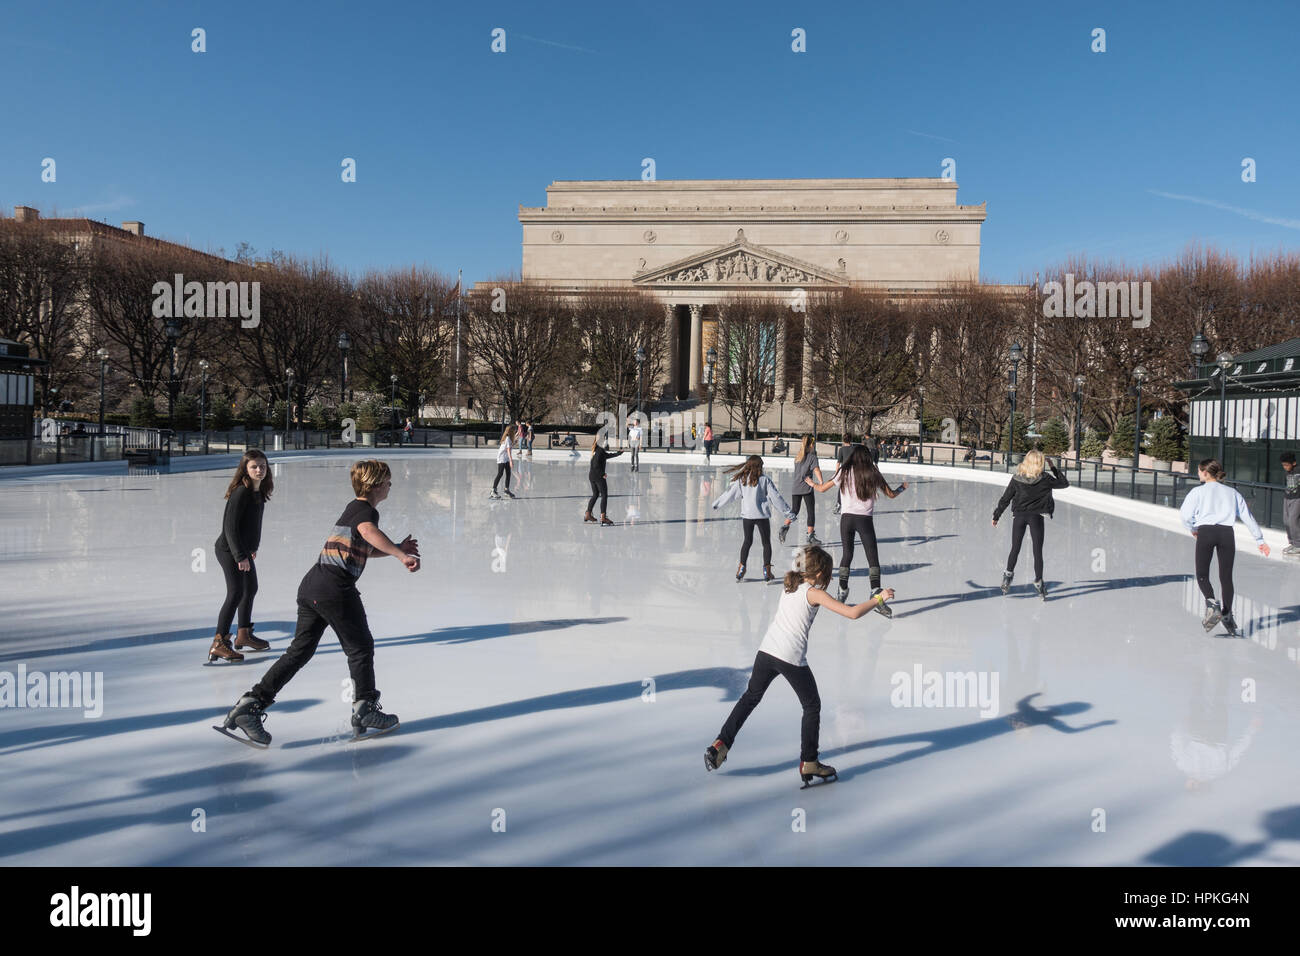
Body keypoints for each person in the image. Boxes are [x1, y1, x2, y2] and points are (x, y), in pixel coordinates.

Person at [217, 460, 420, 746]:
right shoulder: (365, 512)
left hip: (313, 586)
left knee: (298, 653)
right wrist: (401, 556)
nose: (390, 485)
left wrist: (396, 548)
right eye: (387, 481)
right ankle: (365, 709)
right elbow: (368, 531)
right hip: (334, 589)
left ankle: (250, 705)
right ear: (375, 484)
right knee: (360, 647)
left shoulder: (354, 509)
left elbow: (362, 546)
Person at [704, 545, 895, 788]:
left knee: (750, 697)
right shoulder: (813, 592)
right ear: (817, 573)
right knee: (812, 705)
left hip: (767, 650)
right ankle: (809, 761)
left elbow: (800, 557)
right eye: (827, 573)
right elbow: (852, 613)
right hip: (790, 655)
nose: (828, 578)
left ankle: (720, 744)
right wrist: (878, 598)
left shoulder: (790, 584)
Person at [807, 446, 906, 612]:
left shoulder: (844, 471)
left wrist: (812, 483)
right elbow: (891, 494)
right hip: (865, 520)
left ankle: (842, 589)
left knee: (847, 554)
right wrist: (902, 487)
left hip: (847, 519)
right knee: (872, 557)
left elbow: (823, 488)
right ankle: (876, 593)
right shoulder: (873, 472)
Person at [1180, 458, 1270, 636]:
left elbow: (1185, 515)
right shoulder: (1232, 492)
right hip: (1227, 534)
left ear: (1205, 472)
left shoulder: (1197, 492)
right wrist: (1260, 540)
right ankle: (1227, 613)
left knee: (1202, 574)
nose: (1198, 474)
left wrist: (1193, 528)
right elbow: (1246, 516)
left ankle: (1212, 602)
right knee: (1226, 577)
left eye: (1199, 471)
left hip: (1206, 532)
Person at [209, 450, 273, 664]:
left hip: (243, 550)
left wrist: (252, 547)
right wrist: (239, 555)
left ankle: (243, 634)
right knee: (236, 592)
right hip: (229, 550)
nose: (259, 470)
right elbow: (230, 526)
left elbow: (254, 524)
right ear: (245, 469)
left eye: (262, 466)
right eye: (254, 466)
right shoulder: (241, 492)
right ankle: (219, 642)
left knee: (251, 588)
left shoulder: (258, 491)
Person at [992, 449, 1070, 600]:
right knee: (1037, 551)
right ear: (1040, 463)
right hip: (1036, 518)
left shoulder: (1017, 478)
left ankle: (1007, 576)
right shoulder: (1045, 478)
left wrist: (996, 515)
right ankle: (1039, 581)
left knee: (1015, 548)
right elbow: (1064, 483)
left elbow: (1005, 498)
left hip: (1019, 518)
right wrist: (1053, 467)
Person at [711, 455, 797, 582]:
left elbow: (729, 493)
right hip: (761, 516)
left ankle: (741, 568)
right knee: (766, 543)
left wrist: (717, 503)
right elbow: (776, 498)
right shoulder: (765, 480)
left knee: (747, 541)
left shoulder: (742, 480)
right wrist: (788, 513)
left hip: (748, 517)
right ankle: (767, 571)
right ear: (758, 466)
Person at [780, 434, 825, 547]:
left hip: (796, 487)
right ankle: (810, 535)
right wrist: (821, 482)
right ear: (811, 445)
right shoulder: (812, 457)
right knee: (810, 511)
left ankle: (785, 526)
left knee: (795, 509)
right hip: (806, 487)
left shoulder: (798, 456)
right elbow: (816, 470)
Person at [585, 433, 625, 525]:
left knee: (595, 494)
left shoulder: (595, 449)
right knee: (604, 495)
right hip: (598, 476)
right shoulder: (600, 450)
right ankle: (603, 517)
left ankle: (588, 514)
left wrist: (618, 454)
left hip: (592, 476)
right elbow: (595, 465)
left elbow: (606, 456)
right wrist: (602, 474)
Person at [491, 424, 516, 499]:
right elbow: (508, 450)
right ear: (511, 431)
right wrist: (511, 460)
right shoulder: (507, 438)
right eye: (514, 430)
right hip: (502, 458)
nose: (514, 432)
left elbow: (509, 447)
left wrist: (514, 443)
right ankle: (493, 491)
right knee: (500, 473)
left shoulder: (508, 438)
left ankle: (506, 490)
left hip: (505, 458)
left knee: (508, 473)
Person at [1281, 452, 1299, 556]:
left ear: (1294, 463)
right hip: (1287, 497)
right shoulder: (1287, 472)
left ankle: (1298, 544)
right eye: (1283, 465)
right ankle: (1292, 542)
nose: (1285, 467)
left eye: (1287, 465)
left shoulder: (1298, 470)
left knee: (1293, 520)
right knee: (1286, 520)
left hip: (1297, 498)